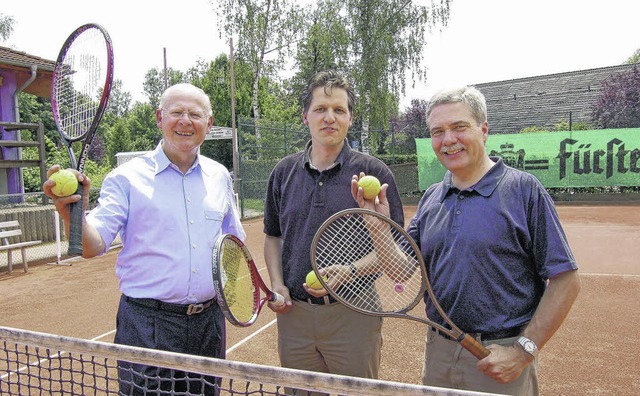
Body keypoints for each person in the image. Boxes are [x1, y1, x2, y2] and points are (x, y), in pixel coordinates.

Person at [354, 86, 581, 395]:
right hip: (439, 352)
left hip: (499, 355)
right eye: (438, 131)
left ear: (483, 130)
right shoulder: (433, 196)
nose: (448, 140)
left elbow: (566, 280)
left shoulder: (523, 190)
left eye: (459, 127)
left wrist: (522, 350)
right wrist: (378, 226)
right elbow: (400, 270)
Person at [42, 83, 245, 395]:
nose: (185, 121)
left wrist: (237, 295)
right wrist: (74, 214)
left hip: (208, 325)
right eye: (176, 112)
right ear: (159, 118)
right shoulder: (125, 178)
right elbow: (90, 246)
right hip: (147, 325)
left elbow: (233, 243)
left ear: (210, 122)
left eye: (195, 114)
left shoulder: (219, 176)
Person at [262, 70, 405, 394]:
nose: (330, 117)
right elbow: (273, 236)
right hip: (294, 316)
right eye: (321, 109)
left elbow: (395, 247)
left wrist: (351, 270)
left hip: (354, 313)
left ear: (350, 118)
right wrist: (277, 284)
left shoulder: (375, 173)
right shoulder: (283, 172)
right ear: (305, 116)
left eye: (339, 110)